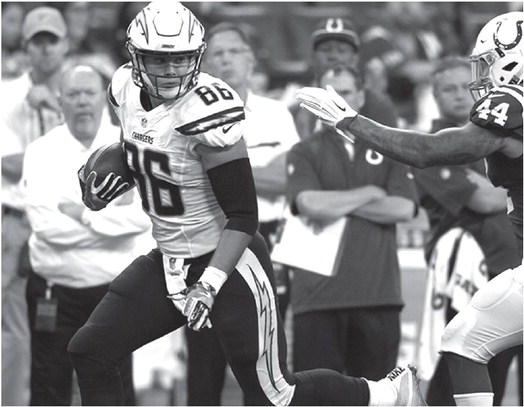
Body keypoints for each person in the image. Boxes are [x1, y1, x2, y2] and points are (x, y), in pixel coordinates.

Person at [66, 2, 426, 406]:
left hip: (229, 262)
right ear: (135, 56)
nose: (170, 70)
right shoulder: (124, 90)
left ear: (196, 56)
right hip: (169, 259)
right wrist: (121, 170)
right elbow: (148, 146)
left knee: (275, 393)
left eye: (180, 59)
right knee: (90, 350)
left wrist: (208, 283)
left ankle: (386, 393)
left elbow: (243, 215)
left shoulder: (207, 110)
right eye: (158, 59)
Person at [297, 11, 522, 407]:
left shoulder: (510, 104)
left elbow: (426, 151)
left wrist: (350, 121)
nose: (482, 75)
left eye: (488, 62)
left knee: (463, 342)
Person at [184, 22, 300, 405]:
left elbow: (290, 178)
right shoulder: (187, 116)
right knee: (204, 358)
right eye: (217, 53)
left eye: (234, 51)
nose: (226, 59)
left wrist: (226, 174)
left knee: (265, 362)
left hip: (264, 240)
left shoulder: (277, 113)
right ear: (203, 64)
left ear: (251, 60)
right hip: (209, 242)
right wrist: (257, 171)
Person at [20, 65, 148, 406]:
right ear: (60, 101)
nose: (82, 102)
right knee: (49, 389)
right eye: (73, 94)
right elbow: (45, 228)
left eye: (89, 93)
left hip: (114, 294)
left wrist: (82, 215)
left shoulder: (130, 147)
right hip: (53, 293)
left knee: (116, 388)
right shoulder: (40, 151)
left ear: (104, 99)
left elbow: (143, 218)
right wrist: (108, 222)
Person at [287, 64, 417, 380]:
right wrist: (370, 193)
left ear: (359, 96)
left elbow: (403, 208)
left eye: (343, 93)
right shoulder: (302, 151)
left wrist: (336, 202)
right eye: (326, 94)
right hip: (315, 299)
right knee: (315, 401)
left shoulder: (389, 146)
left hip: (378, 297)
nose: (334, 101)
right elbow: (309, 204)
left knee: (379, 399)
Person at [414, 56, 522, 406]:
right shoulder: (435, 144)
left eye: (465, 86)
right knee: (456, 374)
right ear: (434, 96)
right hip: (465, 283)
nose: (460, 95)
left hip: (509, 270)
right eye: (449, 89)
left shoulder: (503, 132)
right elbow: (484, 200)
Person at [1, 6, 68, 405]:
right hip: (16, 224)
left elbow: (93, 158)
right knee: (13, 333)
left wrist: (56, 110)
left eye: (51, 41)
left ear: (65, 44)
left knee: (70, 325)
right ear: (25, 46)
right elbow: (8, 166)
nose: (44, 50)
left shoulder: (81, 91)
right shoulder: (6, 94)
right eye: (36, 42)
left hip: (69, 225)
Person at [293, 17, 398, 140]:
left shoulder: (379, 106)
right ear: (313, 58)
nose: (333, 56)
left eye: (342, 50)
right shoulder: (295, 107)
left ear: (355, 58)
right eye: (325, 50)